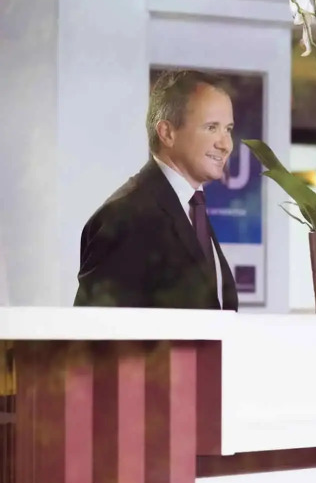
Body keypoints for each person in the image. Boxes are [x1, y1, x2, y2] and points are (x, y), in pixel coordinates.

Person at [74, 70, 239, 310]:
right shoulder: (124, 218)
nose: (225, 145)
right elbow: (96, 328)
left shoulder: (193, 207)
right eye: (211, 127)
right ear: (167, 133)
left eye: (228, 129)